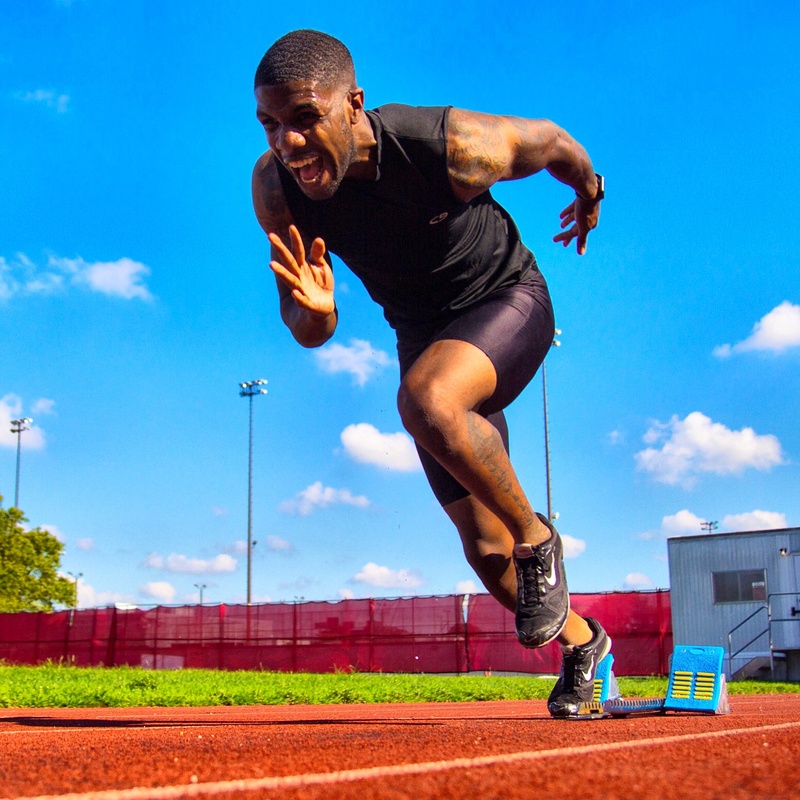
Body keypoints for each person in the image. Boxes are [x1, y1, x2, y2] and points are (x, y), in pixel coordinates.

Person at [251, 29, 610, 717]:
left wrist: (590, 193)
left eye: (304, 119)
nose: (287, 144)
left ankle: (540, 539)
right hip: (425, 338)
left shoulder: (449, 145)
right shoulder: (277, 188)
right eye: (270, 124)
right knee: (482, 549)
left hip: (508, 302)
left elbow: (556, 143)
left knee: (427, 400)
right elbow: (304, 327)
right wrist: (318, 314)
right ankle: (585, 643)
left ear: (352, 104)